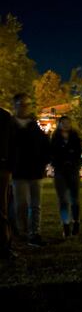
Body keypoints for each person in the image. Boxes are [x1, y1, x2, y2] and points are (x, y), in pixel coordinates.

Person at [10, 93, 50, 247]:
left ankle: (35, 234)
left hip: (35, 172)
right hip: (18, 173)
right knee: (21, 205)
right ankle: (22, 232)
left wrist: (43, 163)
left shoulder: (35, 125)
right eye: (21, 104)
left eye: (27, 104)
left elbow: (45, 145)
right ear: (15, 105)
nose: (24, 107)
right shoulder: (10, 125)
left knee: (36, 205)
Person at [50, 116, 82, 238]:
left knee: (74, 199)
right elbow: (53, 153)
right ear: (59, 124)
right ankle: (65, 225)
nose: (65, 125)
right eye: (63, 123)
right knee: (63, 199)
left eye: (68, 123)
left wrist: (73, 161)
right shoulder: (55, 138)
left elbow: (78, 152)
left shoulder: (75, 137)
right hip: (60, 171)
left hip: (73, 170)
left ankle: (76, 222)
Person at [0, 105, 13, 259]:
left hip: (1, 167)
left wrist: (8, 165)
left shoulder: (4, 117)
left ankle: (4, 245)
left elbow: (11, 143)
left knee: (1, 209)